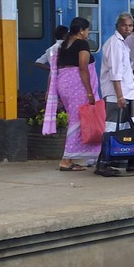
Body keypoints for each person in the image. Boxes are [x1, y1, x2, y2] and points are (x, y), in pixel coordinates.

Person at [98, 12, 134, 176]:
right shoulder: (115, 44)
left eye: (130, 25)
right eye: (124, 25)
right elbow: (115, 74)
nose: (127, 28)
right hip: (117, 95)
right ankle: (104, 163)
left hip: (128, 93)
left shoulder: (123, 44)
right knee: (112, 128)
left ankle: (133, 160)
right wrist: (120, 96)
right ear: (117, 26)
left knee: (130, 126)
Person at [45, 17, 98, 172]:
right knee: (78, 121)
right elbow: (83, 67)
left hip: (64, 86)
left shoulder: (63, 45)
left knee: (77, 119)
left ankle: (87, 156)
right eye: (87, 30)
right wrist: (89, 92)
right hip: (77, 86)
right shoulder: (81, 43)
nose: (88, 33)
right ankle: (66, 159)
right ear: (81, 30)